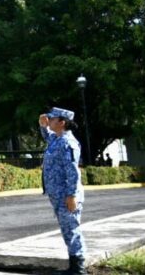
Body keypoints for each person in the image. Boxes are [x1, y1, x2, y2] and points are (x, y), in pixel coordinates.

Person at [39, 108, 87, 275]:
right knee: (67, 230)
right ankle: (74, 267)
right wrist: (43, 126)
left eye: (52, 119)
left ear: (62, 122)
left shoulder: (68, 142)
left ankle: (79, 269)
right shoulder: (56, 139)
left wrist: (72, 195)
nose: (50, 121)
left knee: (72, 229)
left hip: (67, 195)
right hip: (58, 195)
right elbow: (47, 136)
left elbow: (72, 171)